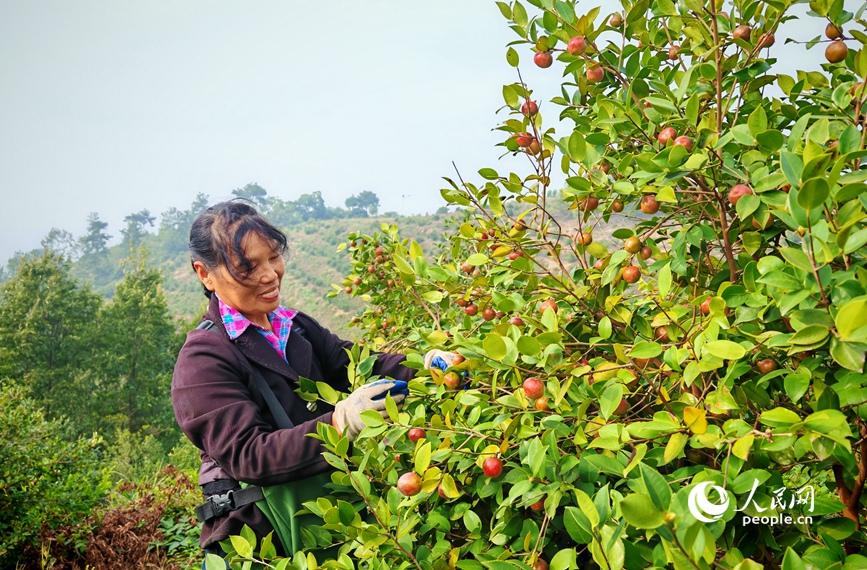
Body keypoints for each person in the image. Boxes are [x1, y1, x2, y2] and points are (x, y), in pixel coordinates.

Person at [171, 201, 456, 560]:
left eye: (273, 257)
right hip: (263, 542)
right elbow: (249, 455)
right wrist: (339, 422)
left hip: (326, 526)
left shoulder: (296, 327)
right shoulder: (202, 360)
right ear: (205, 274)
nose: (270, 274)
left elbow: (361, 364)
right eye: (248, 267)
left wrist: (429, 366)